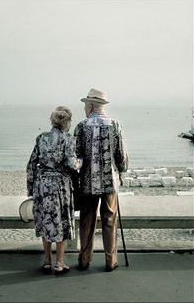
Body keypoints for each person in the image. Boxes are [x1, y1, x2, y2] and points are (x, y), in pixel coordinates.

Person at [74, 88, 129, 272]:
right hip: (109, 182)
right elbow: (121, 154)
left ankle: (84, 260)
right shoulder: (115, 124)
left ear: (90, 106)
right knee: (109, 220)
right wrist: (121, 171)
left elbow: (76, 156)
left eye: (85, 105)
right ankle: (110, 261)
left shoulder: (81, 126)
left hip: (87, 182)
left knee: (87, 220)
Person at [26, 106, 82, 275]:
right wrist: (81, 161)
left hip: (42, 185)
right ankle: (60, 263)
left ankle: (47, 262)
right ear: (67, 122)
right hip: (60, 186)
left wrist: (30, 188)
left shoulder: (41, 138)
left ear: (52, 121)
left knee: (45, 222)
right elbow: (73, 165)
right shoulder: (69, 139)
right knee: (61, 223)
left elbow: (31, 165)